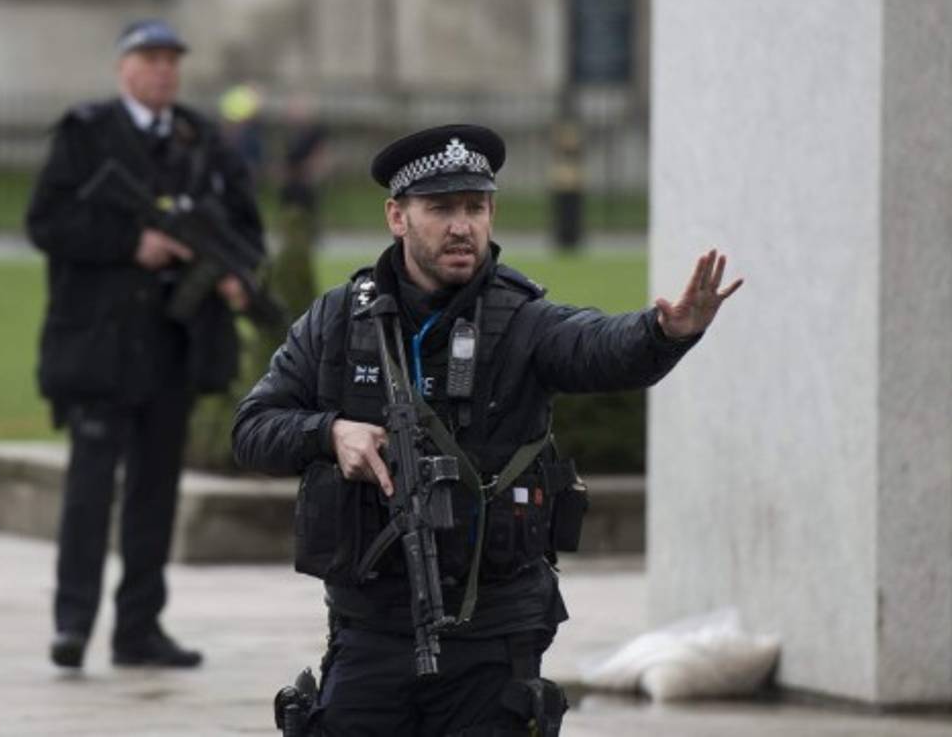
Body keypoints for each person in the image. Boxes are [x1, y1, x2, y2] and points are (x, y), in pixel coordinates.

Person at [232, 124, 741, 735]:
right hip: (371, 628)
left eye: (475, 208)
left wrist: (665, 332)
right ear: (397, 216)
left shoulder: (521, 317)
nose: (461, 226)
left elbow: (598, 346)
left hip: (494, 630)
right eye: (441, 208)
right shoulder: (340, 320)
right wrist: (330, 432)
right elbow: (253, 427)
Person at [26, 18, 264, 670]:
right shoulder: (86, 134)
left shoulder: (201, 140)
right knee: (88, 490)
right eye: (150, 58)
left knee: (155, 492)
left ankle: (139, 626)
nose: (162, 70)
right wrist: (133, 244)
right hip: (101, 343)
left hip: (172, 344)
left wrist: (234, 276)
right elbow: (47, 221)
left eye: (170, 60)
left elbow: (246, 227)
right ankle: (73, 623)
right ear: (123, 67)